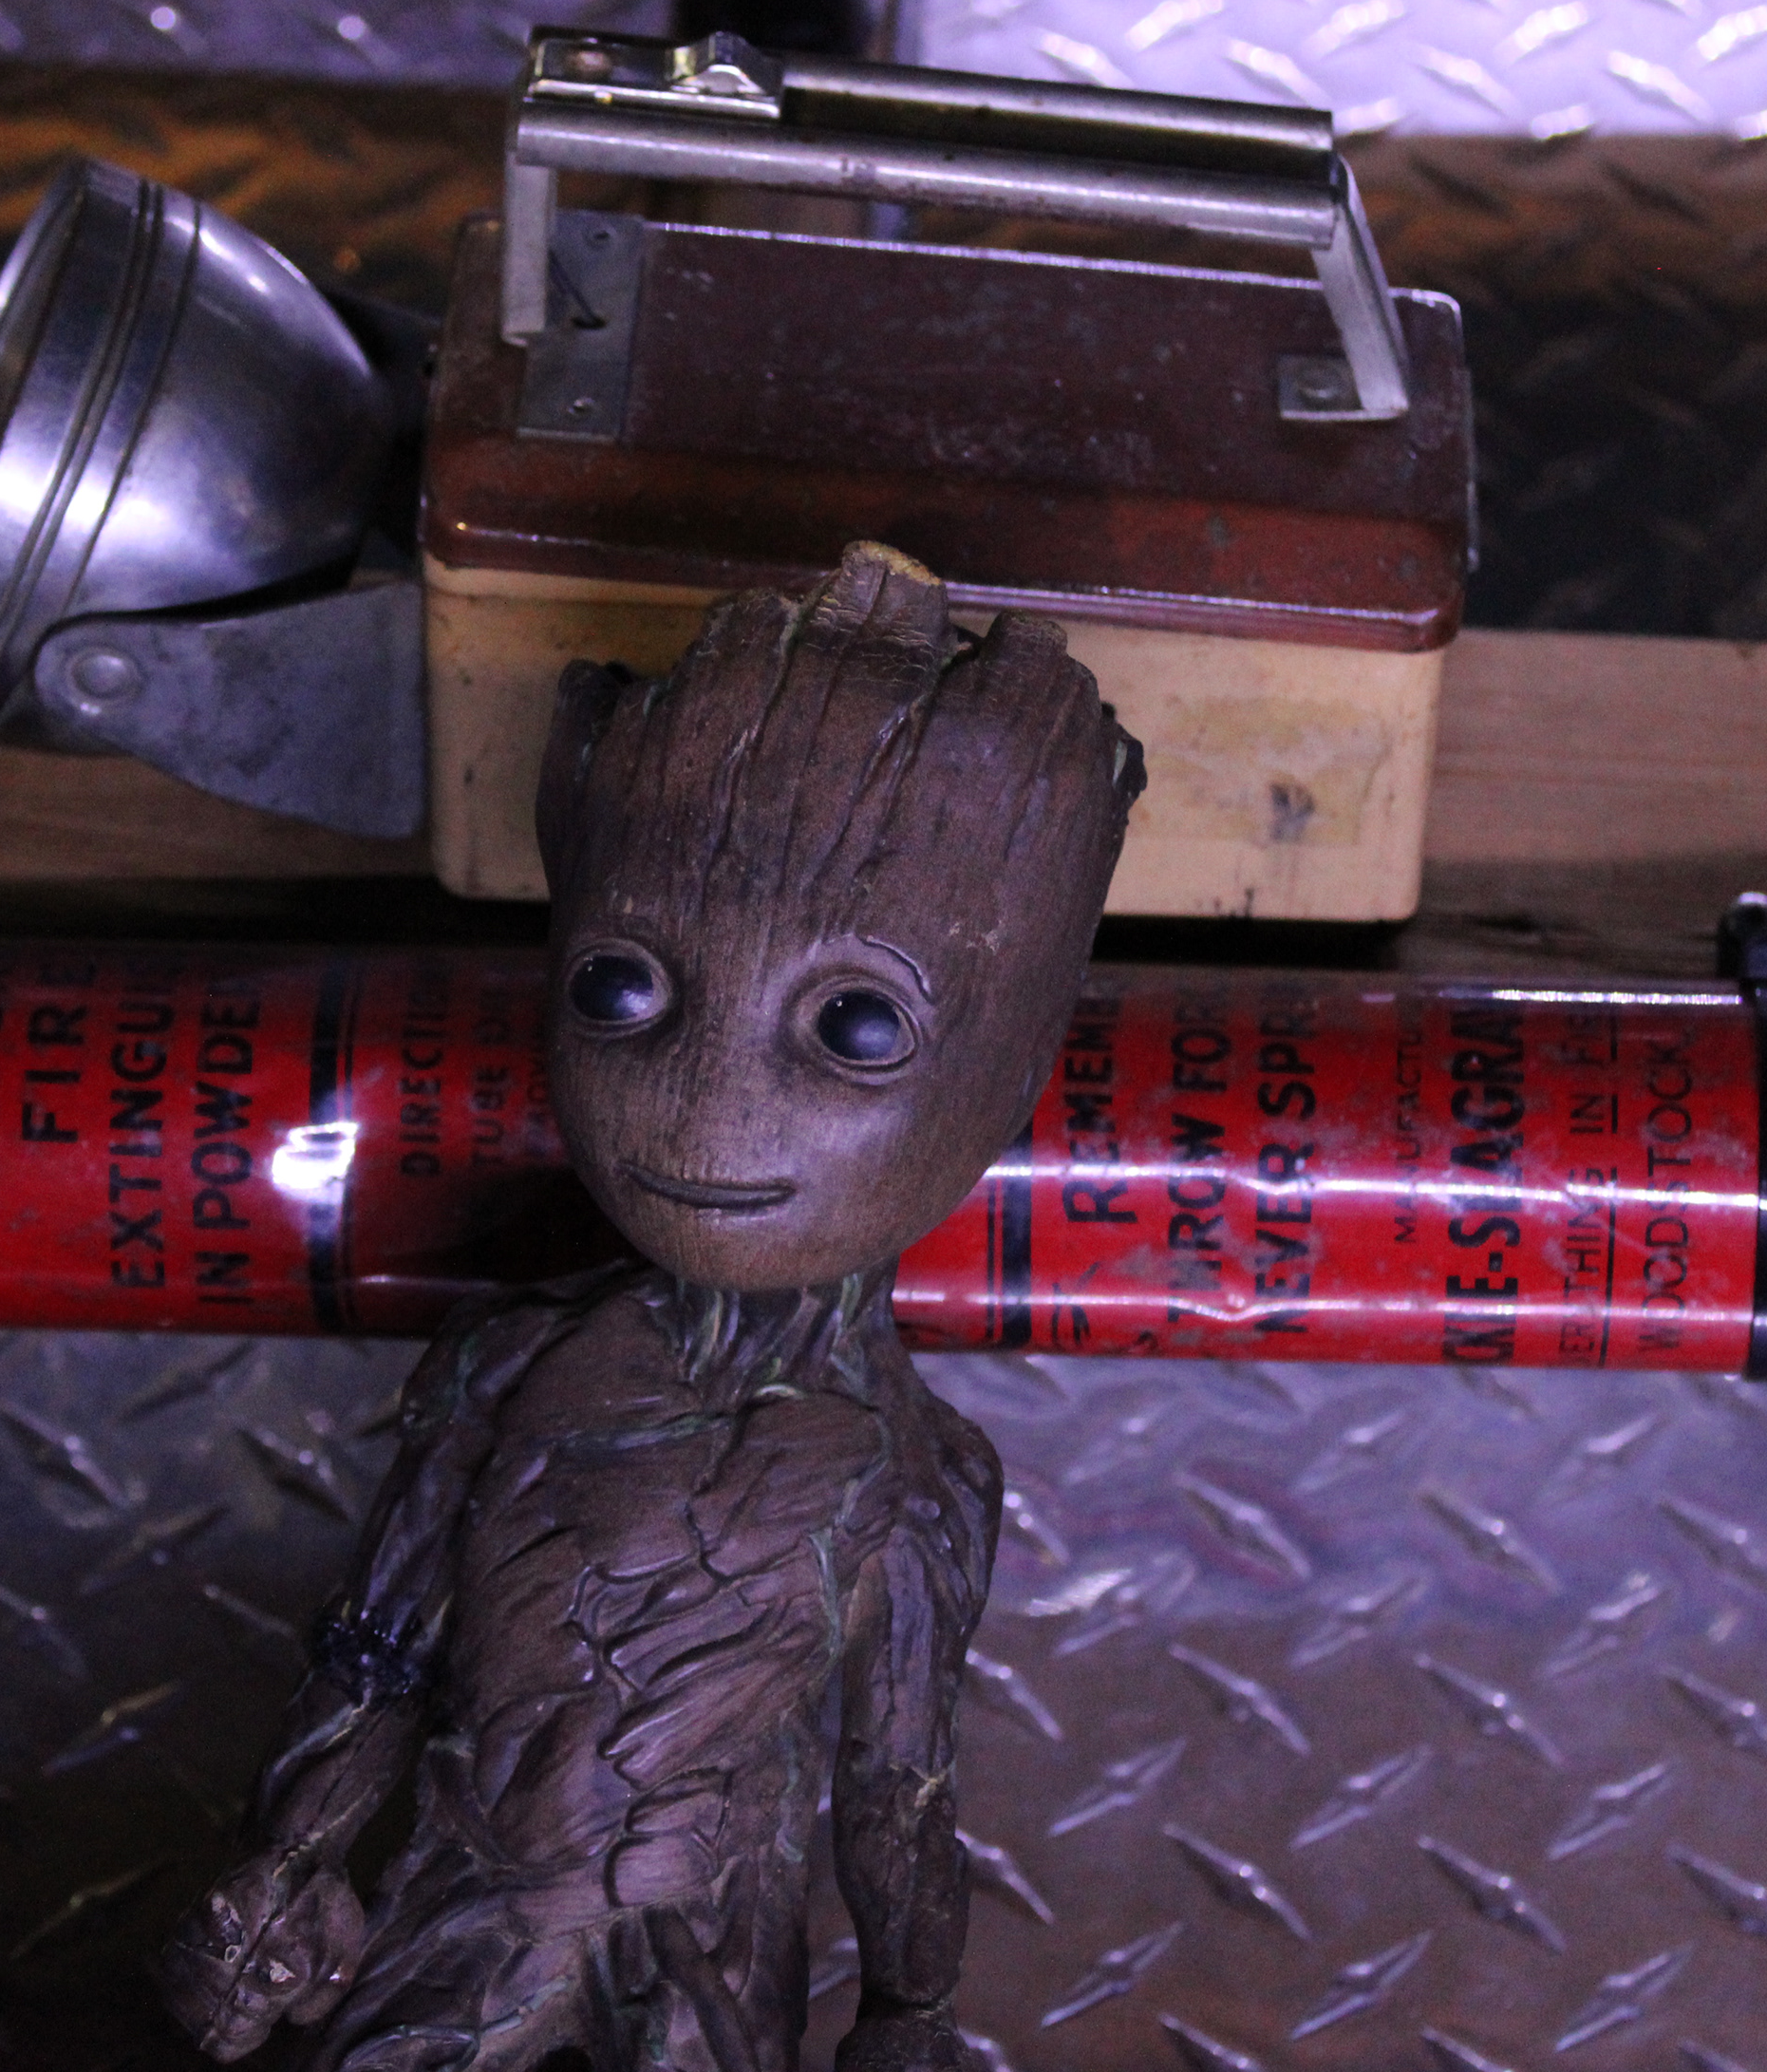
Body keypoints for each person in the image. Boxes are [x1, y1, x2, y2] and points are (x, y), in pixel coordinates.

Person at [159, 543, 1143, 2072]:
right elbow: (380, 1646)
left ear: (1010, 1073)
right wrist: (292, 1853)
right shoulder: (512, 1363)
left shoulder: (919, 1481)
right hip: (467, 1903)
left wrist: (911, 2009)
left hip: (713, 1952)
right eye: (621, 990)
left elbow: (898, 1793)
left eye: (856, 1026)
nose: (710, 1101)